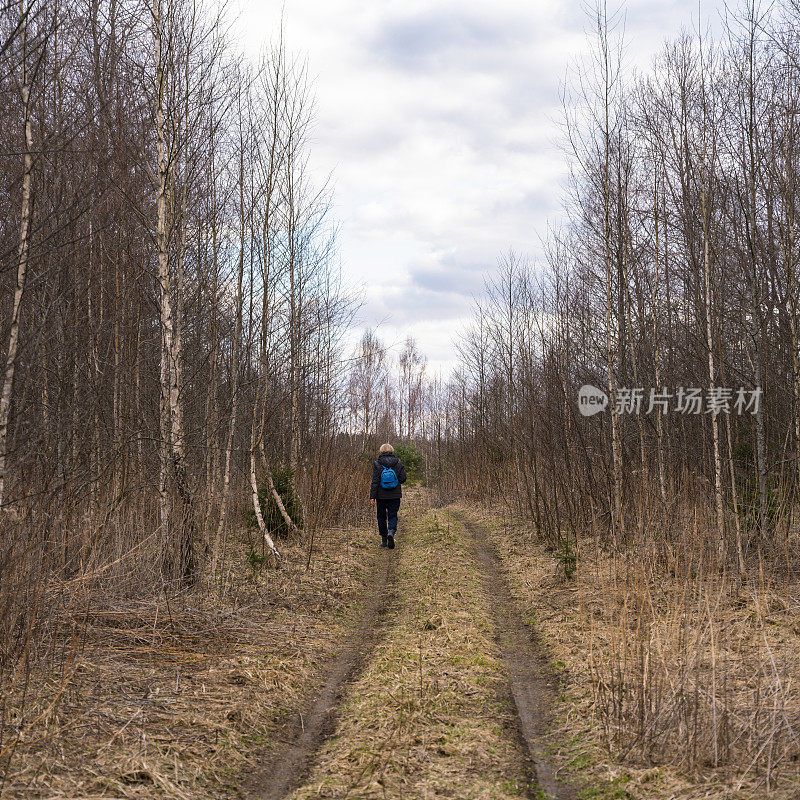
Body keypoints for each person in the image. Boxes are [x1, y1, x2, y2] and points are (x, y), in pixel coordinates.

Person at [370, 443, 407, 549]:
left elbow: (375, 481)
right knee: (393, 515)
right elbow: (403, 478)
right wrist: (395, 482)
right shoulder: (398, 462)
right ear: (392, 451)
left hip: (381, 496)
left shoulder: (377, 463)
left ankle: (384, 540)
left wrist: (372, 497)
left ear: (381, 451)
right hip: (395, 495)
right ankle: (391, 532)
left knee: (381, 517)